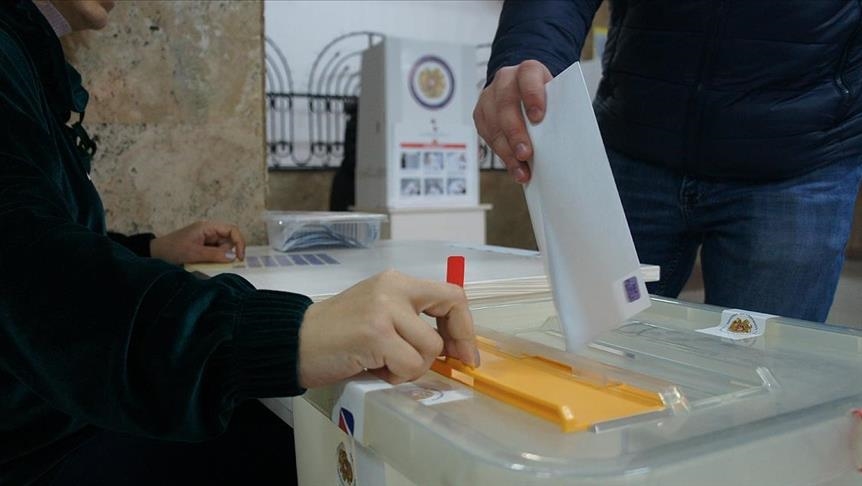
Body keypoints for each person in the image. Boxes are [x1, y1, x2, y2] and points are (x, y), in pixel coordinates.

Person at [0, 1, 478, 485]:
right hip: (43, 449)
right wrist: (290, 331)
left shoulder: (27, 55)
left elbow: (40, 231)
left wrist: (149, 249)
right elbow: (32, 276)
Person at [475, 0, 862, 322]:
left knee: (762, 372)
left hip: (803, 157)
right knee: (589, 356)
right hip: (634, 141)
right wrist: (530, 51)